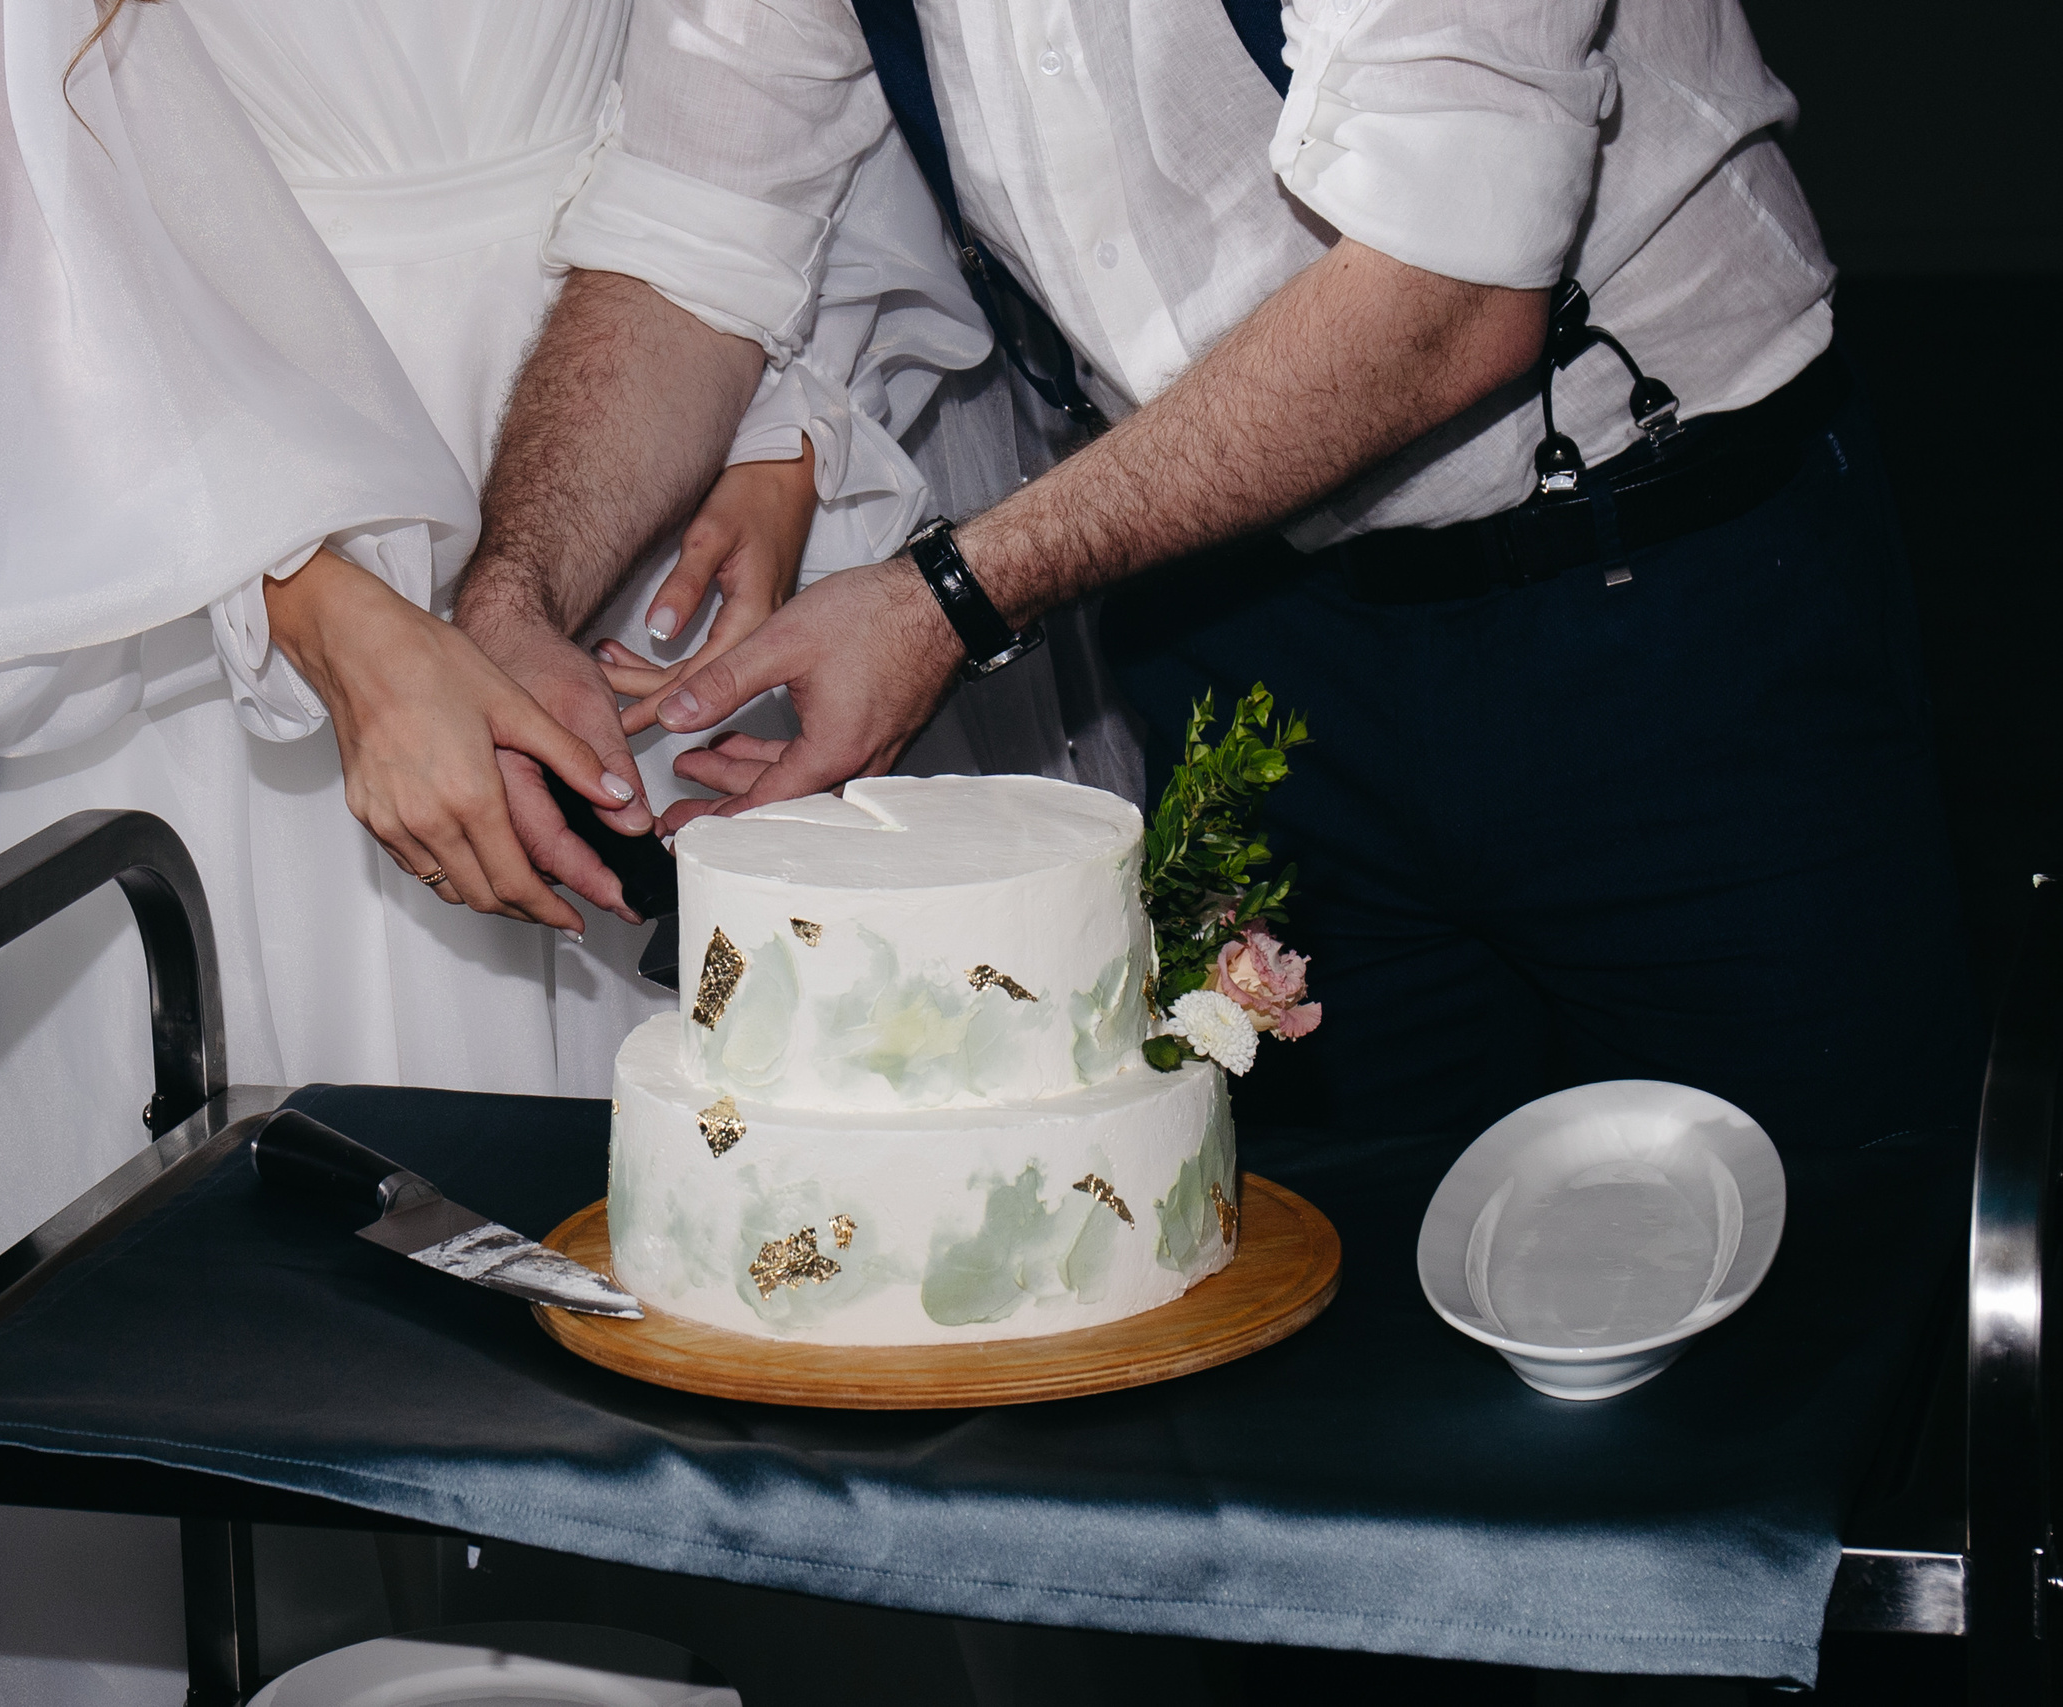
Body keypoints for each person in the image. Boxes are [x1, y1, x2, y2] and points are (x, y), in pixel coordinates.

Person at [0, 0, 1004, 1699]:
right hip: (237, 486)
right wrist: (315, 607)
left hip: (664, 401)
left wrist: (785, 428)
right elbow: (7, 186)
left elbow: (792, 61)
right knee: (258, 1345)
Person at [454, 0, 1980, 1153]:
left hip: (1670, 606)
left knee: (1796, 1269)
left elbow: (1448, 285)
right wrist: (510, 602)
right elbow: (689, 237)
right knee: (1343, 1329)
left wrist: (951, 598)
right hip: (1234, 631)